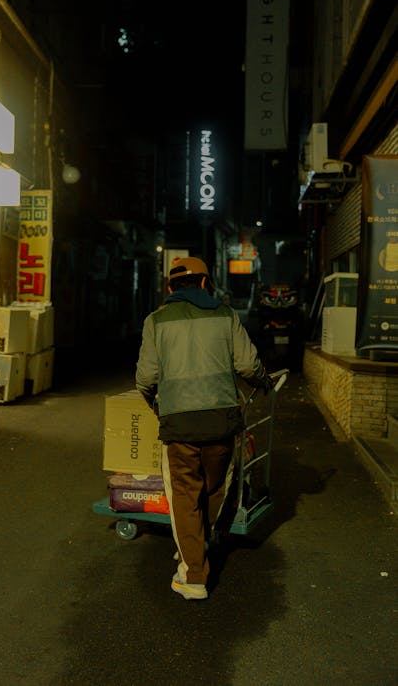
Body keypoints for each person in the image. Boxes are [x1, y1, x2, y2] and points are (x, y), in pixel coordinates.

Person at [135, 256, 272, 601]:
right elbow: (247, 364)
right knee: (213, 489)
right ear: (205, 283)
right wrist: (263, 380)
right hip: (221, 421)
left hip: (179, 425)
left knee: (184, 495)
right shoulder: (226, 316)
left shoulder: (156, 321)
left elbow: (146, 377)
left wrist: (155, 402)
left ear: (169, 288)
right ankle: (200, 545)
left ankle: (193, 573)